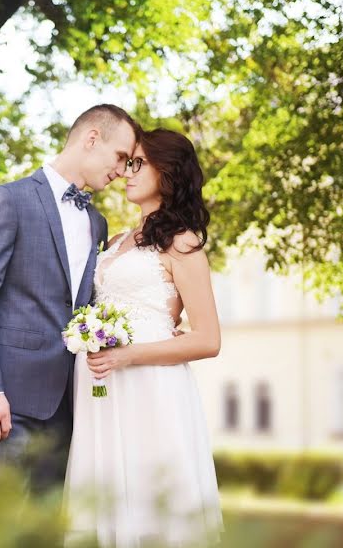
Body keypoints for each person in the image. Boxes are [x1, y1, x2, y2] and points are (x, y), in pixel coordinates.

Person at [0, 104, 139, 493]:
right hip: (6, 401)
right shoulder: (10, 200)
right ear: (92, 138)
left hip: (70, 407)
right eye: (120, 157)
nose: (122, 170)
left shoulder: (97, 222)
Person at [64, 128, 224, 547]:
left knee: (150, 501)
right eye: (125, 162)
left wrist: (128, 355)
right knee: (105, 500)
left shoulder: (183, 243)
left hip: (150, 389)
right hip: (101, 392)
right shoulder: (114, 240)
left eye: (136, 163)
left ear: (167, 173)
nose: (125, 172)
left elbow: (208, 339)